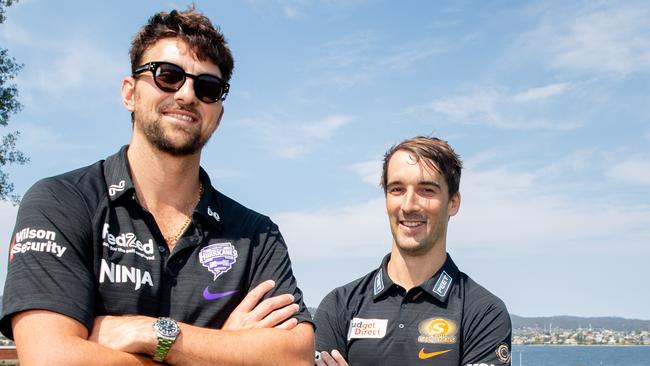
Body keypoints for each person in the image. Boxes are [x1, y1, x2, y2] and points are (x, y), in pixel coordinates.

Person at [0, 6, 314, 365]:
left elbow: (295, 356)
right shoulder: (61, 202)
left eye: (208, 87)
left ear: (219, 114)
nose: (186, 95)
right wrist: (223, 349)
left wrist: (153, 333)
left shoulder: (256, 235)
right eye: (168, 76)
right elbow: (52, 359)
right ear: (129, 93)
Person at [314, 136, 512, 366]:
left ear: (453, 203)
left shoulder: (483, 313)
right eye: (397, 189)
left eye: (426, 190)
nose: (408, 205)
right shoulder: (339, 306)